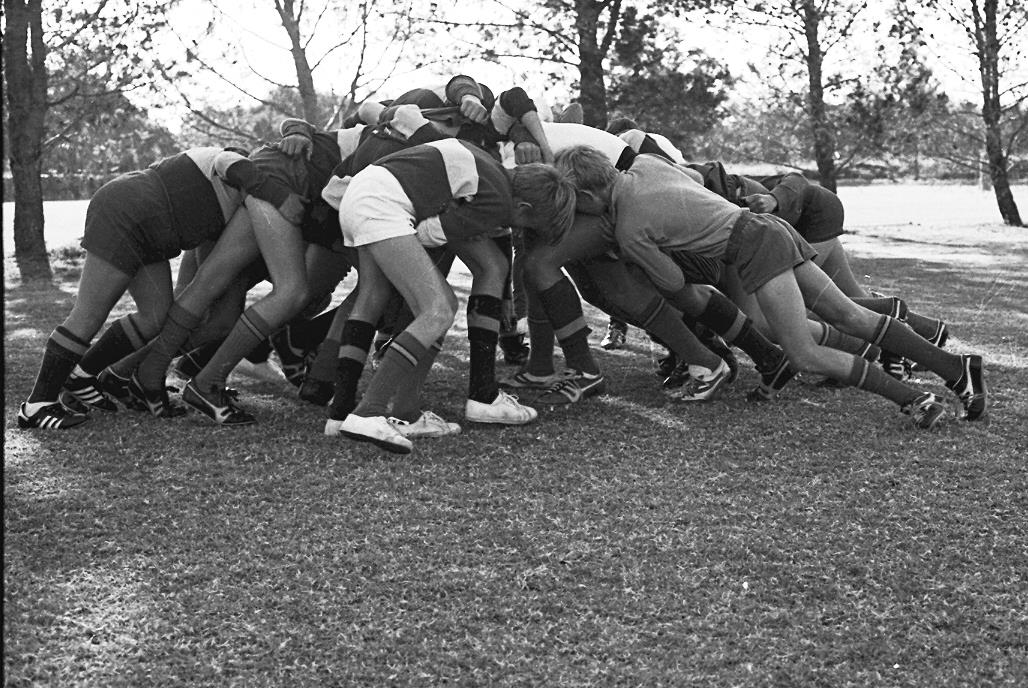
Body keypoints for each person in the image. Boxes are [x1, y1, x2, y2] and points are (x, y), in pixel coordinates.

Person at [554, 145, 987, 428]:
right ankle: (956, 369)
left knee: (801, 351)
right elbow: (699, 181)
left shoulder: (629, 229)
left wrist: (637, 256)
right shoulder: (646, 165)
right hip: (770, 227)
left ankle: (912, 399)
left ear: (589, 200)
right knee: (852, 315)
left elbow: (672, 282)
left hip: (752, 249)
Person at [17, 147, 303, 430]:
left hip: (153, 235)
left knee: (155, 316)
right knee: (88, 316)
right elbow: (230, 161)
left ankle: (82, 376)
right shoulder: (232, 162)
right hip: (128, 210)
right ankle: (37, 405)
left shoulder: (236, 200)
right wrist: (279, 195)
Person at [325, 137, 577, 454]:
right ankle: (368, 412)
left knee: (380, 296)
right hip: (383, 204)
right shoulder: (498, 199)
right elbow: (428, 233)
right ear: (523, 207)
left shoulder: (488, 168)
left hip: (361, 193)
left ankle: (374, 414)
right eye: (528, 226)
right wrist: (468, 226)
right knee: (438, 310)